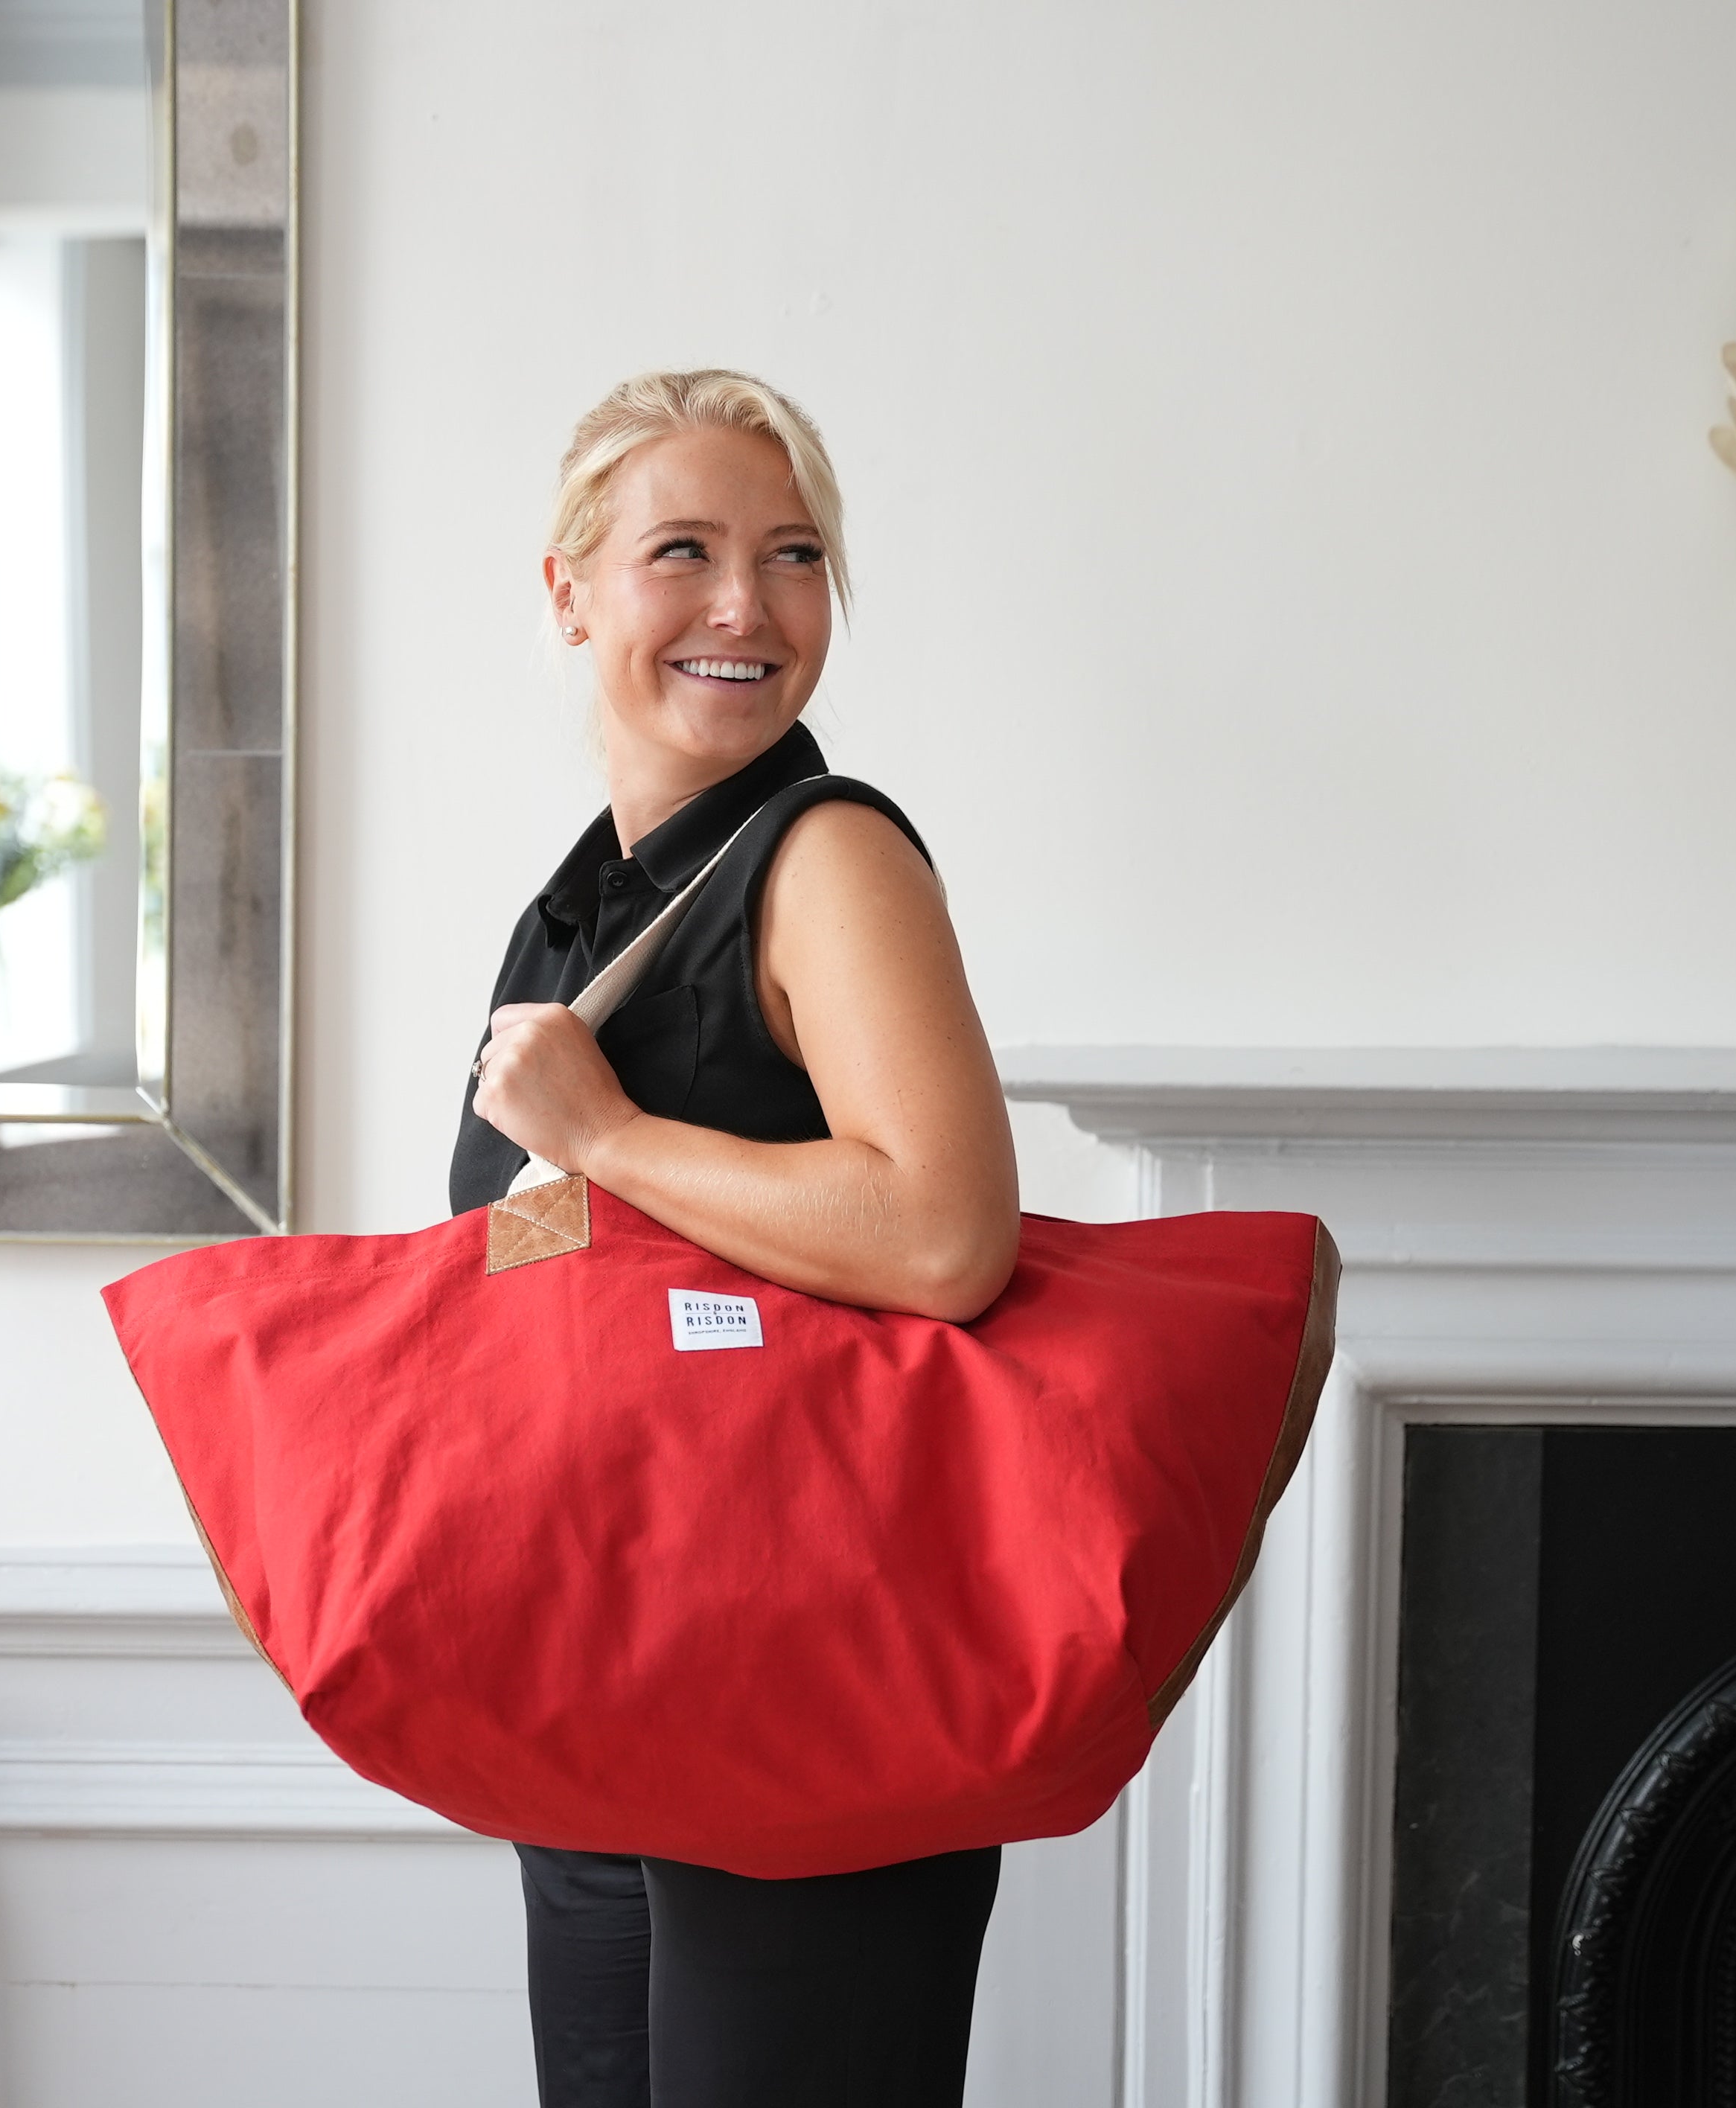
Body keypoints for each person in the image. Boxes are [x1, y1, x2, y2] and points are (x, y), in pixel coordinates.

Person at [453, 369, 1023, 2108]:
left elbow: (944, 1234)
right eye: (679, 551)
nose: (743, 607)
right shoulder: (585, 907)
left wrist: (611, 1136)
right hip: (614, 1670)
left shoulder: (825, 857)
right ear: (568, 590)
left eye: (791, 558)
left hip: (800, 1692)